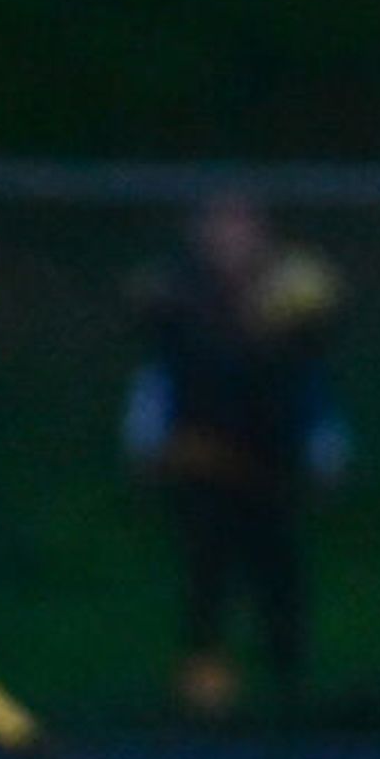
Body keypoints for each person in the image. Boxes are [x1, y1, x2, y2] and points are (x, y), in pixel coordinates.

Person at [124, 194, 344, 715]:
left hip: (271, 467)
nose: (229, 238)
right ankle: (205, 696)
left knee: (278, 575)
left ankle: (289, 690)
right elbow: (159, 380)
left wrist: (324, 448)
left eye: (241, 226)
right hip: (202, 462)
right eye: (219, 225)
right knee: (207, 579)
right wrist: (147, 443)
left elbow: (311, 383)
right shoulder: (177, 296)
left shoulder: (295, 296)